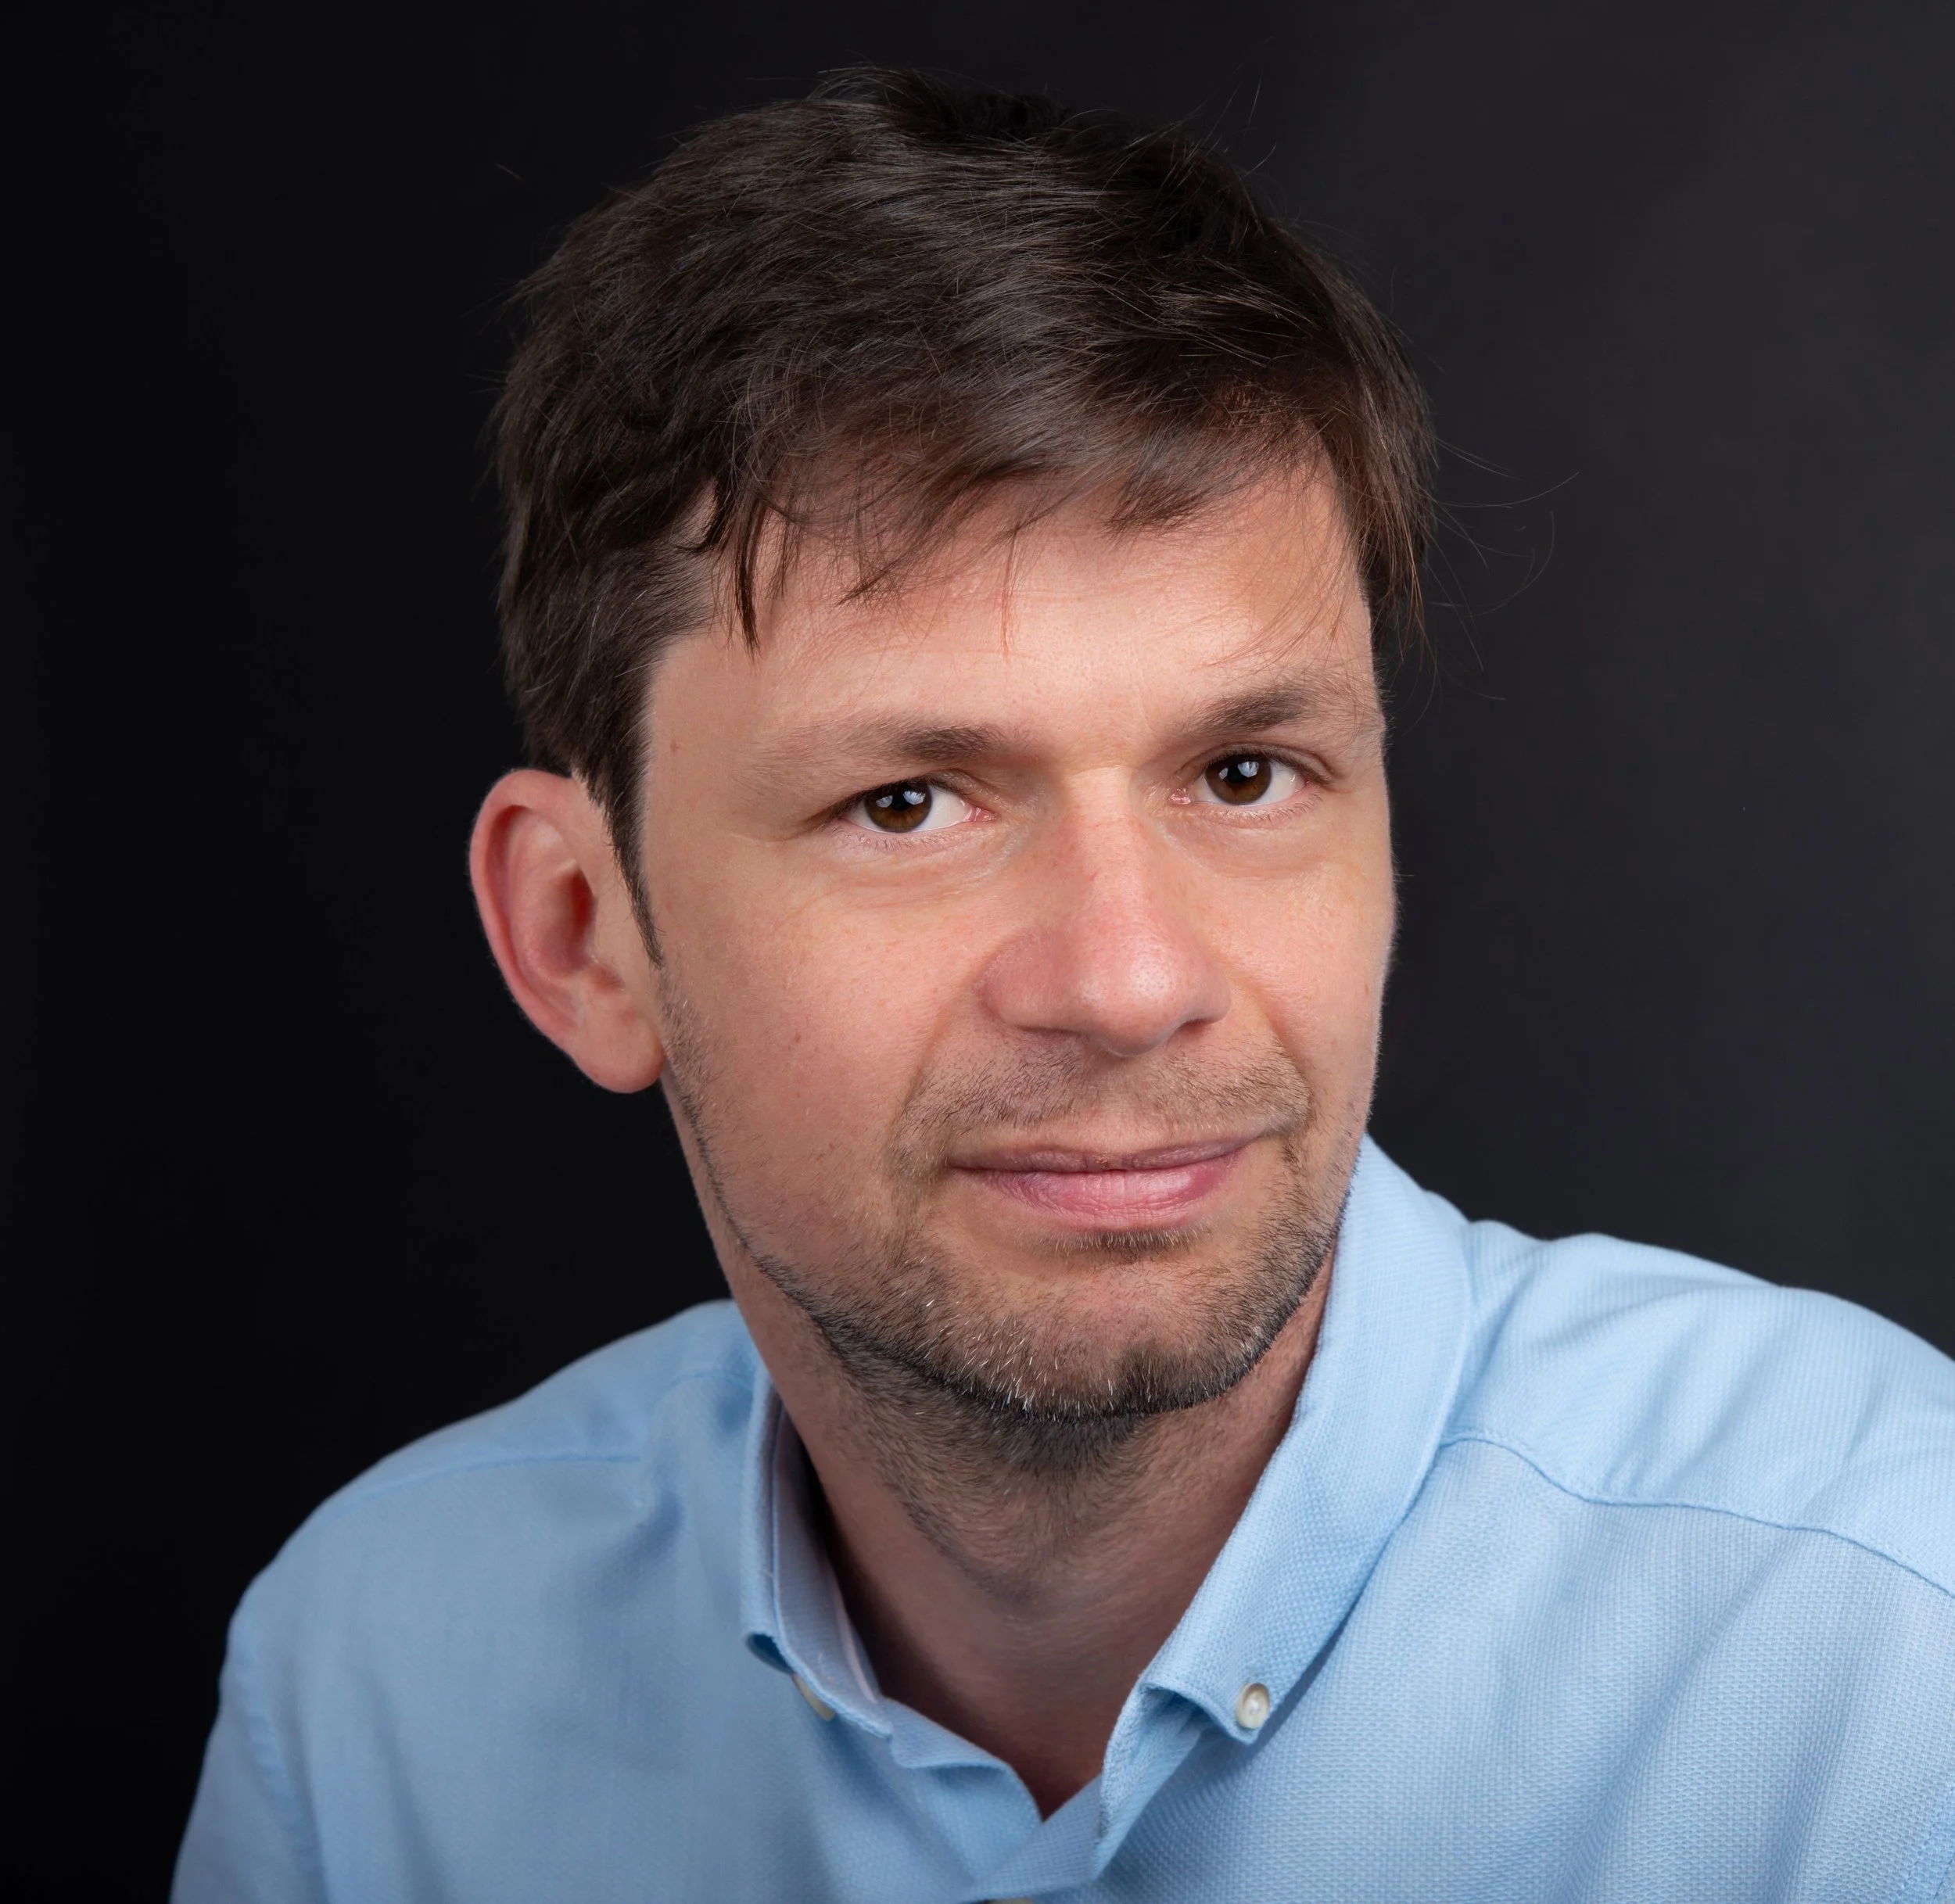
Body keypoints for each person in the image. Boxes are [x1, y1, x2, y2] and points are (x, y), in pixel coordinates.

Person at [174, 68, 1955, 1904]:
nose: (1125, 979)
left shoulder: (1889, 1664)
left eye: (1242, 773)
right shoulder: (378, 1698)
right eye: (906, 802)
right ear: (580, 932)